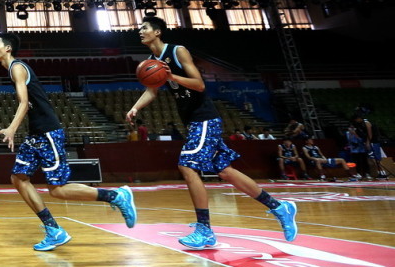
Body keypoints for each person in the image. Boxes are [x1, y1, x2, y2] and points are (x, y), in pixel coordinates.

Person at [126, 16, 298, 250]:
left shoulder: (178, 51)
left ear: (157, 32)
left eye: (144, 28)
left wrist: (171, 76)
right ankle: (279, 207)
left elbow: (199, 84)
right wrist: (136, 107)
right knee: (226, 172)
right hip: (192, 121)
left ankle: (205, 230)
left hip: (204, 117)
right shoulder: (151, 61)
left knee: (187, 165)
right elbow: (152, 91)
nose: (140, 32)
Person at [0, 32, 136, 251]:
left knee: (57, 190)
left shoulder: (17, 68)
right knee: (18, 178)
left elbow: (24, 103)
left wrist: (12, 129)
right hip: (36, 135)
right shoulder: (13, 70)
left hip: (48, 132)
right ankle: (54, 230)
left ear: (8, 49)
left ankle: (116, 196)